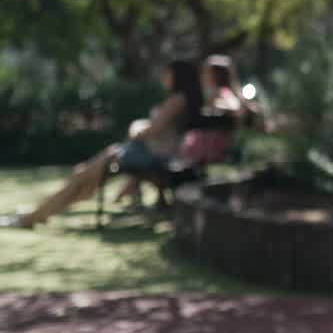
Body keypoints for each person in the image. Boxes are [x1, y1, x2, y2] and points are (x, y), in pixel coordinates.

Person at [2, 59, 203, 228]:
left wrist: (135, 128)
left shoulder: (177, 99)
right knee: (85, 177)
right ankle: (37, 213)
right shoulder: (184, 99)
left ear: (177, 76)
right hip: (145, 152)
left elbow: (153, 130)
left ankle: (34, 216)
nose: (164, 78)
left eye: (167, 74)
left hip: (149, 154)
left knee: (83, 176)